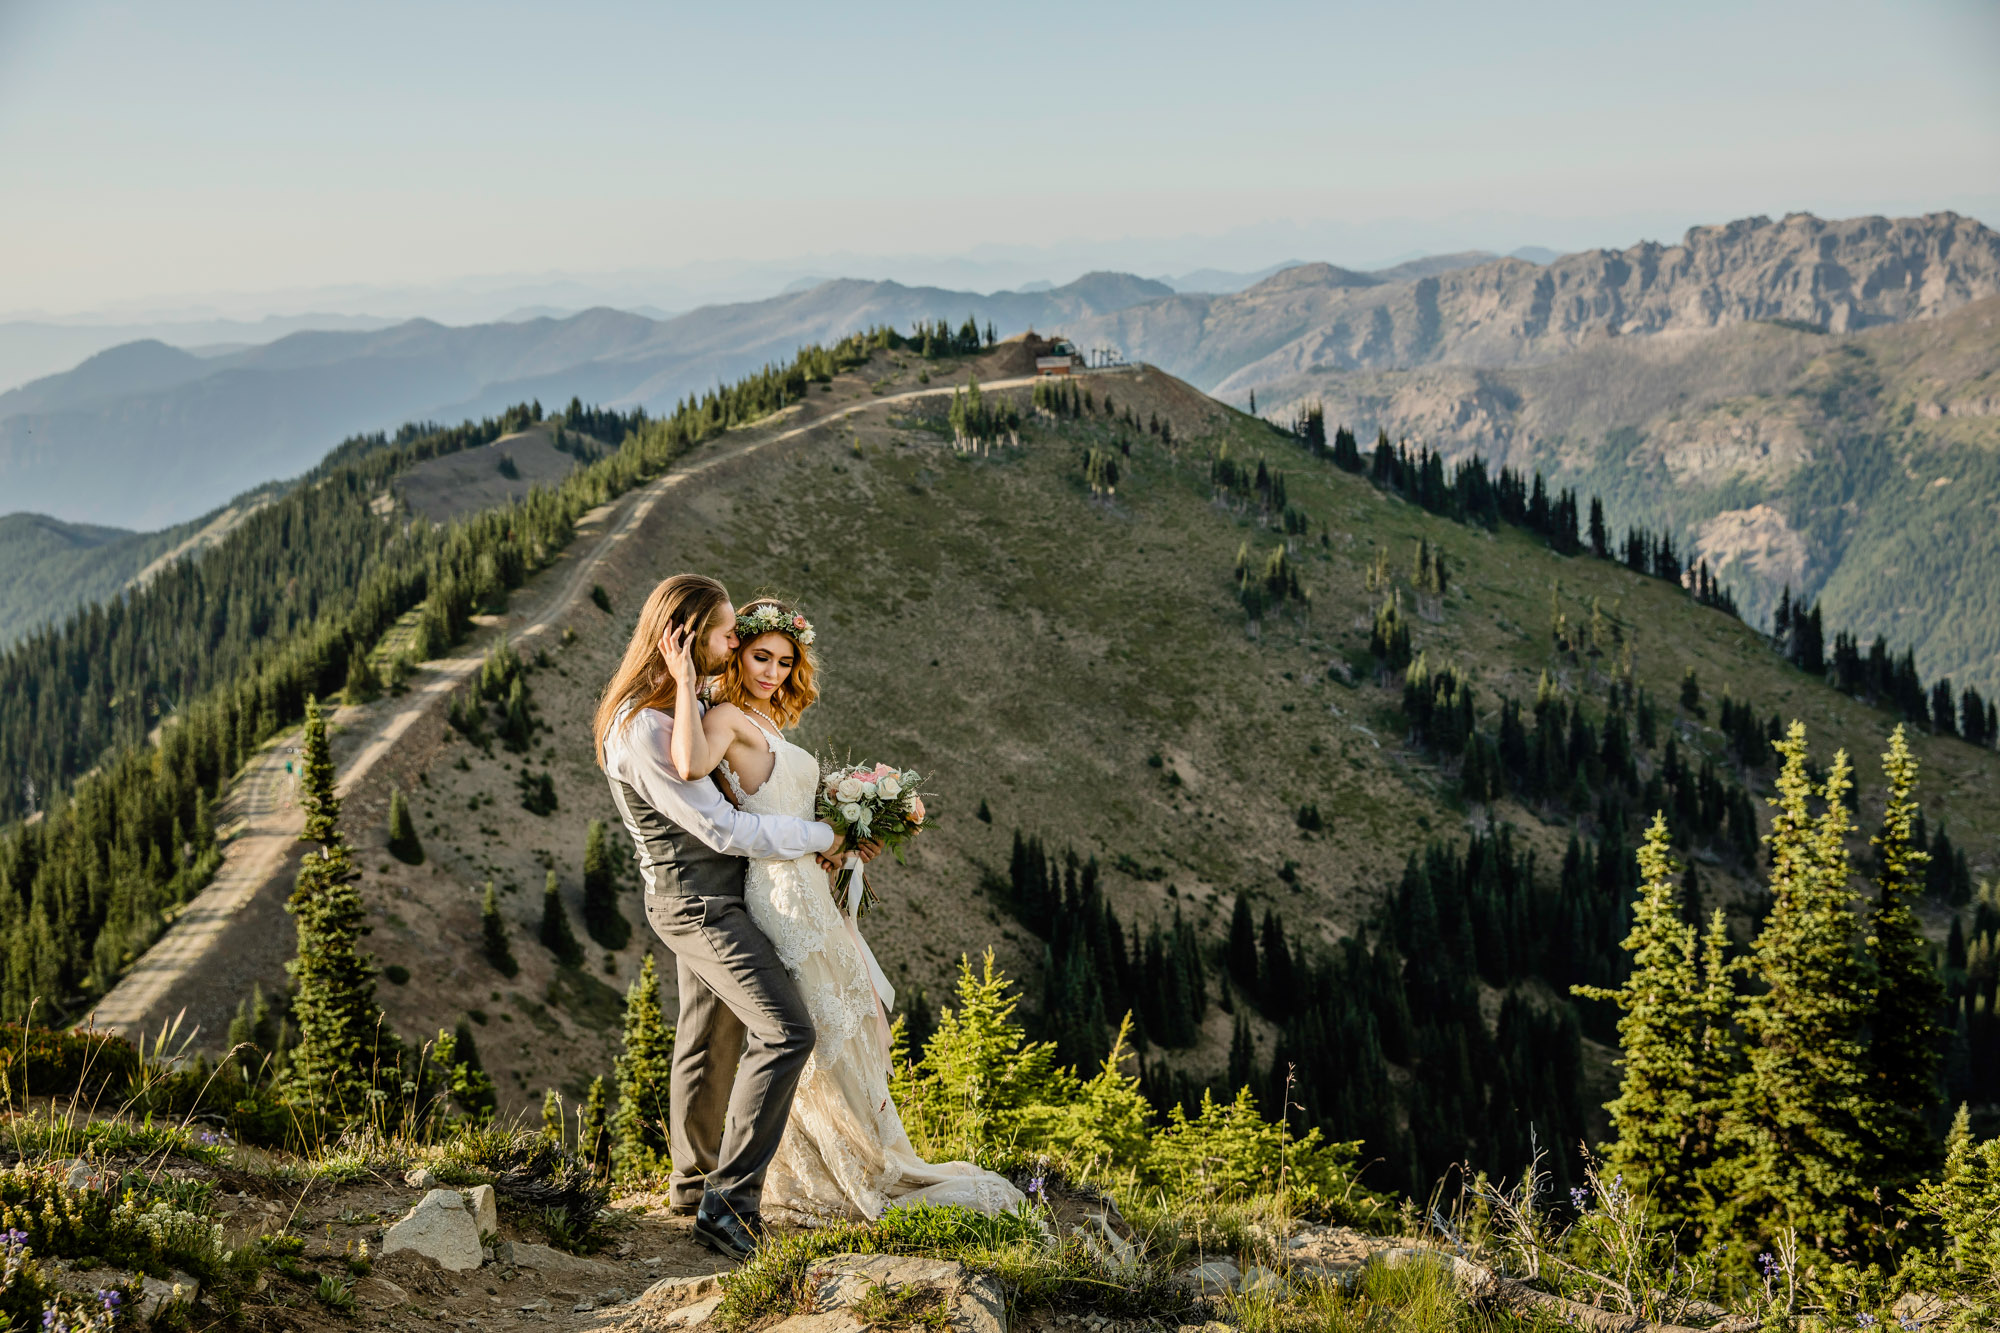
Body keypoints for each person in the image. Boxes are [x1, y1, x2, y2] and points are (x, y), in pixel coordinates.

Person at [662, 596, 1024, 1225]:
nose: (773, 671)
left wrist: (845, 840)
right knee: (809, 1030)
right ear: (738, 655)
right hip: (777, 894)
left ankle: (861, 1152)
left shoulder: (772, 724)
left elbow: (793, 812)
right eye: (760, 657)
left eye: (784, 660)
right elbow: (689, 764)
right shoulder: (722, 714)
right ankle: (806, 1170)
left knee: (842, 1023)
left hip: (811, 883)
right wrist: (688, 680)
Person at [592, 574, 880, 1261]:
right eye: (726, 632)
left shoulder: (682, 704)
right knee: (786, 1030)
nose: (737, 642)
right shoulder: (642, 727)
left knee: (707, 1038)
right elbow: (720, 829)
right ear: (684, 637)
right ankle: (729, 1203)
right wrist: (819, 839)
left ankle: (693, 1186)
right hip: (696, 899)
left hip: (724, 894)